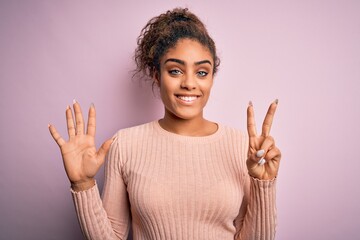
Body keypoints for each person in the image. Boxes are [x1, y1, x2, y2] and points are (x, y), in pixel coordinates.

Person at [48, 8, 281, 240]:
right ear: (157, 75)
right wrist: (82, 183)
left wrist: (264, 183)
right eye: (175, 70)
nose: (189, 83)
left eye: (201, 72)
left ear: (211, 79)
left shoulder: (243, 147)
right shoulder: (126, 144)